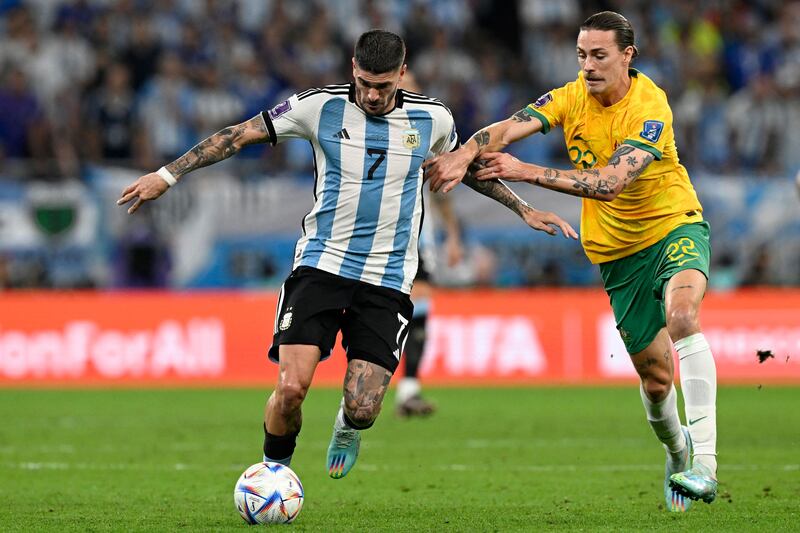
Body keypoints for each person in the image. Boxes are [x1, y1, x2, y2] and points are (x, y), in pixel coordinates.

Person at [117, 29, 577, 480]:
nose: (373, 96)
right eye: (364, 83)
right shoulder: (317, 106)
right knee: (292, 388)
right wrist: (168, 175)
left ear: (401, 73)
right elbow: (238, 135)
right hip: (322, 264)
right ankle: (273, 471)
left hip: (388, 276)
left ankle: (347, 427)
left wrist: (524, 208)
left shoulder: (433, 119)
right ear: (352, 69)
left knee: (363, 409)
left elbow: (465, 169)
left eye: (383, 85)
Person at [424, 11, 718, 511]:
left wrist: (527, 172)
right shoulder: (569, 97)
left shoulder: (649, 107)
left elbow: (609, 183)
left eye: (599, 55)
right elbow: (507, 128)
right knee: (655, 379)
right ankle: (677, 449)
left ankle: (705, 465)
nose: (588, 66)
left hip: (673, 225)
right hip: (617, 253)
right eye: (582, 55)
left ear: (628, 55)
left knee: (683, 316)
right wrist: (461, 153)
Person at [395, 72, 464, 417]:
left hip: (417, 240)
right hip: (375, 240)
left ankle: (408, 389)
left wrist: (452, 236)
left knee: (418, 311)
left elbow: (441, 191)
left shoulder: (425, 132)